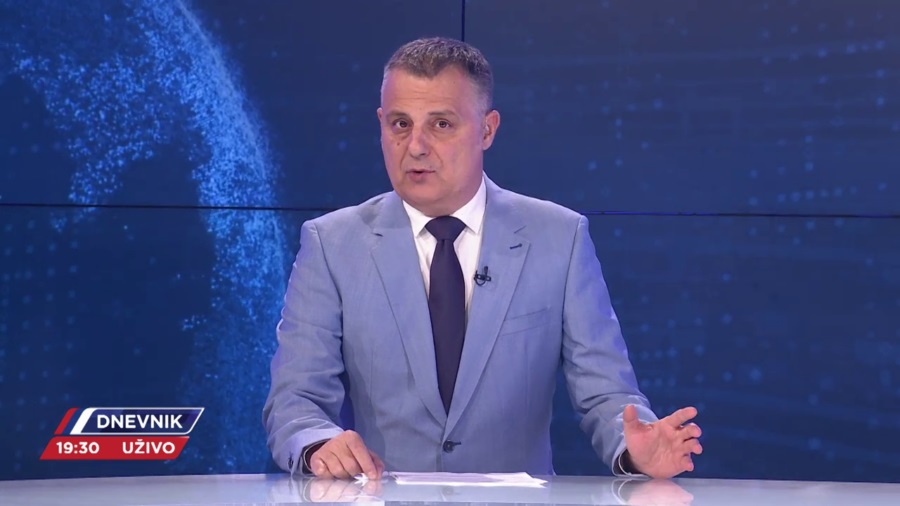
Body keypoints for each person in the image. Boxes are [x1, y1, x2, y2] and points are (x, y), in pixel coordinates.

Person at [263, 36, 702, 481]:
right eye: (400, 124)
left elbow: (606, 395)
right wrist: (318, 444)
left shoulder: (559, 238)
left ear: (487, 130)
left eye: (441, 124)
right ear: (381, 124)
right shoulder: (332, 244)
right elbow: (295, 400)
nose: (415, 146)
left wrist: (634, 450)